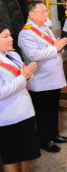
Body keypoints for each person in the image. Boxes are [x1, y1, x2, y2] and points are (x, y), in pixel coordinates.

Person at [18, 1, 67, 153]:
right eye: (42, 11)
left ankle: (54, 134)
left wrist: (57, 47)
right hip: (41, 79)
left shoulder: (45, 28)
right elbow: (33, 54)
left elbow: (53, 46)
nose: (45, 14)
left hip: (53, 77)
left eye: (45, 11)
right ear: (31, 14)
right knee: (43, 112)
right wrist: (56, 48)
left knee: (53, 108)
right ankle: (45, 140)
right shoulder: (26, 33)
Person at [0, 22, 40, 172]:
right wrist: (23, 78)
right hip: (8, 117)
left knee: (26, 154)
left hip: (24, 112)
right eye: (5, 36)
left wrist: (28, 77)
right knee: (12, 156)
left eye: (10, 35)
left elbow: (26, 77)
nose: (11, 38)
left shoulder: (13, 55)